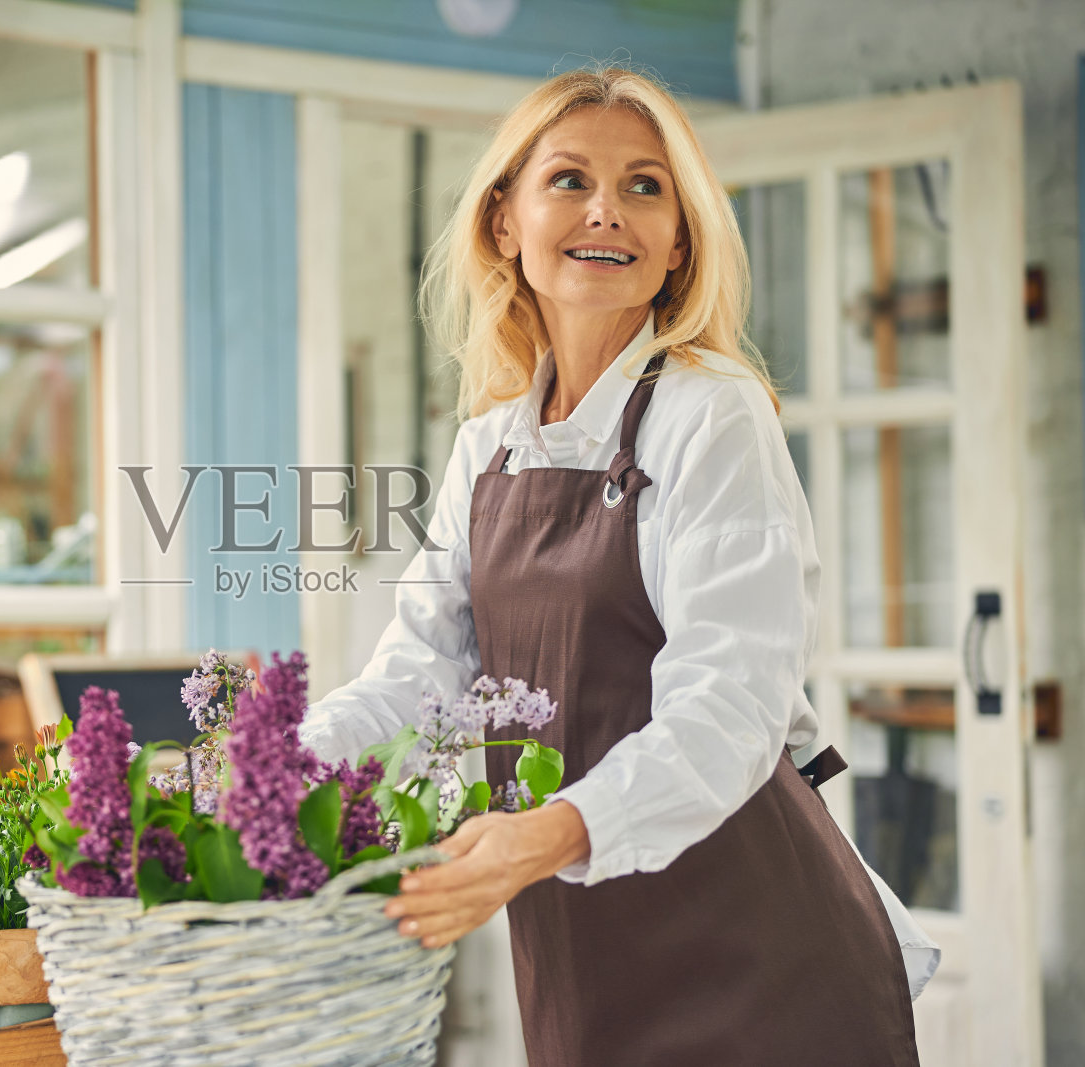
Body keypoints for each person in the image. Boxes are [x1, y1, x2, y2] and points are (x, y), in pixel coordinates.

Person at [298, 67, 930, 1066]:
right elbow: (420, 678)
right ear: (503, 221)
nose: (606, 210)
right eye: (568, 180)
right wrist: (266, 774)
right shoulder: (490, 448)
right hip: (583, 952)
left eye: (644, 186)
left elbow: (730, 703)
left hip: (756, 954)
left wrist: (547, 832)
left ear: (678, 241)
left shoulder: (712, 412)